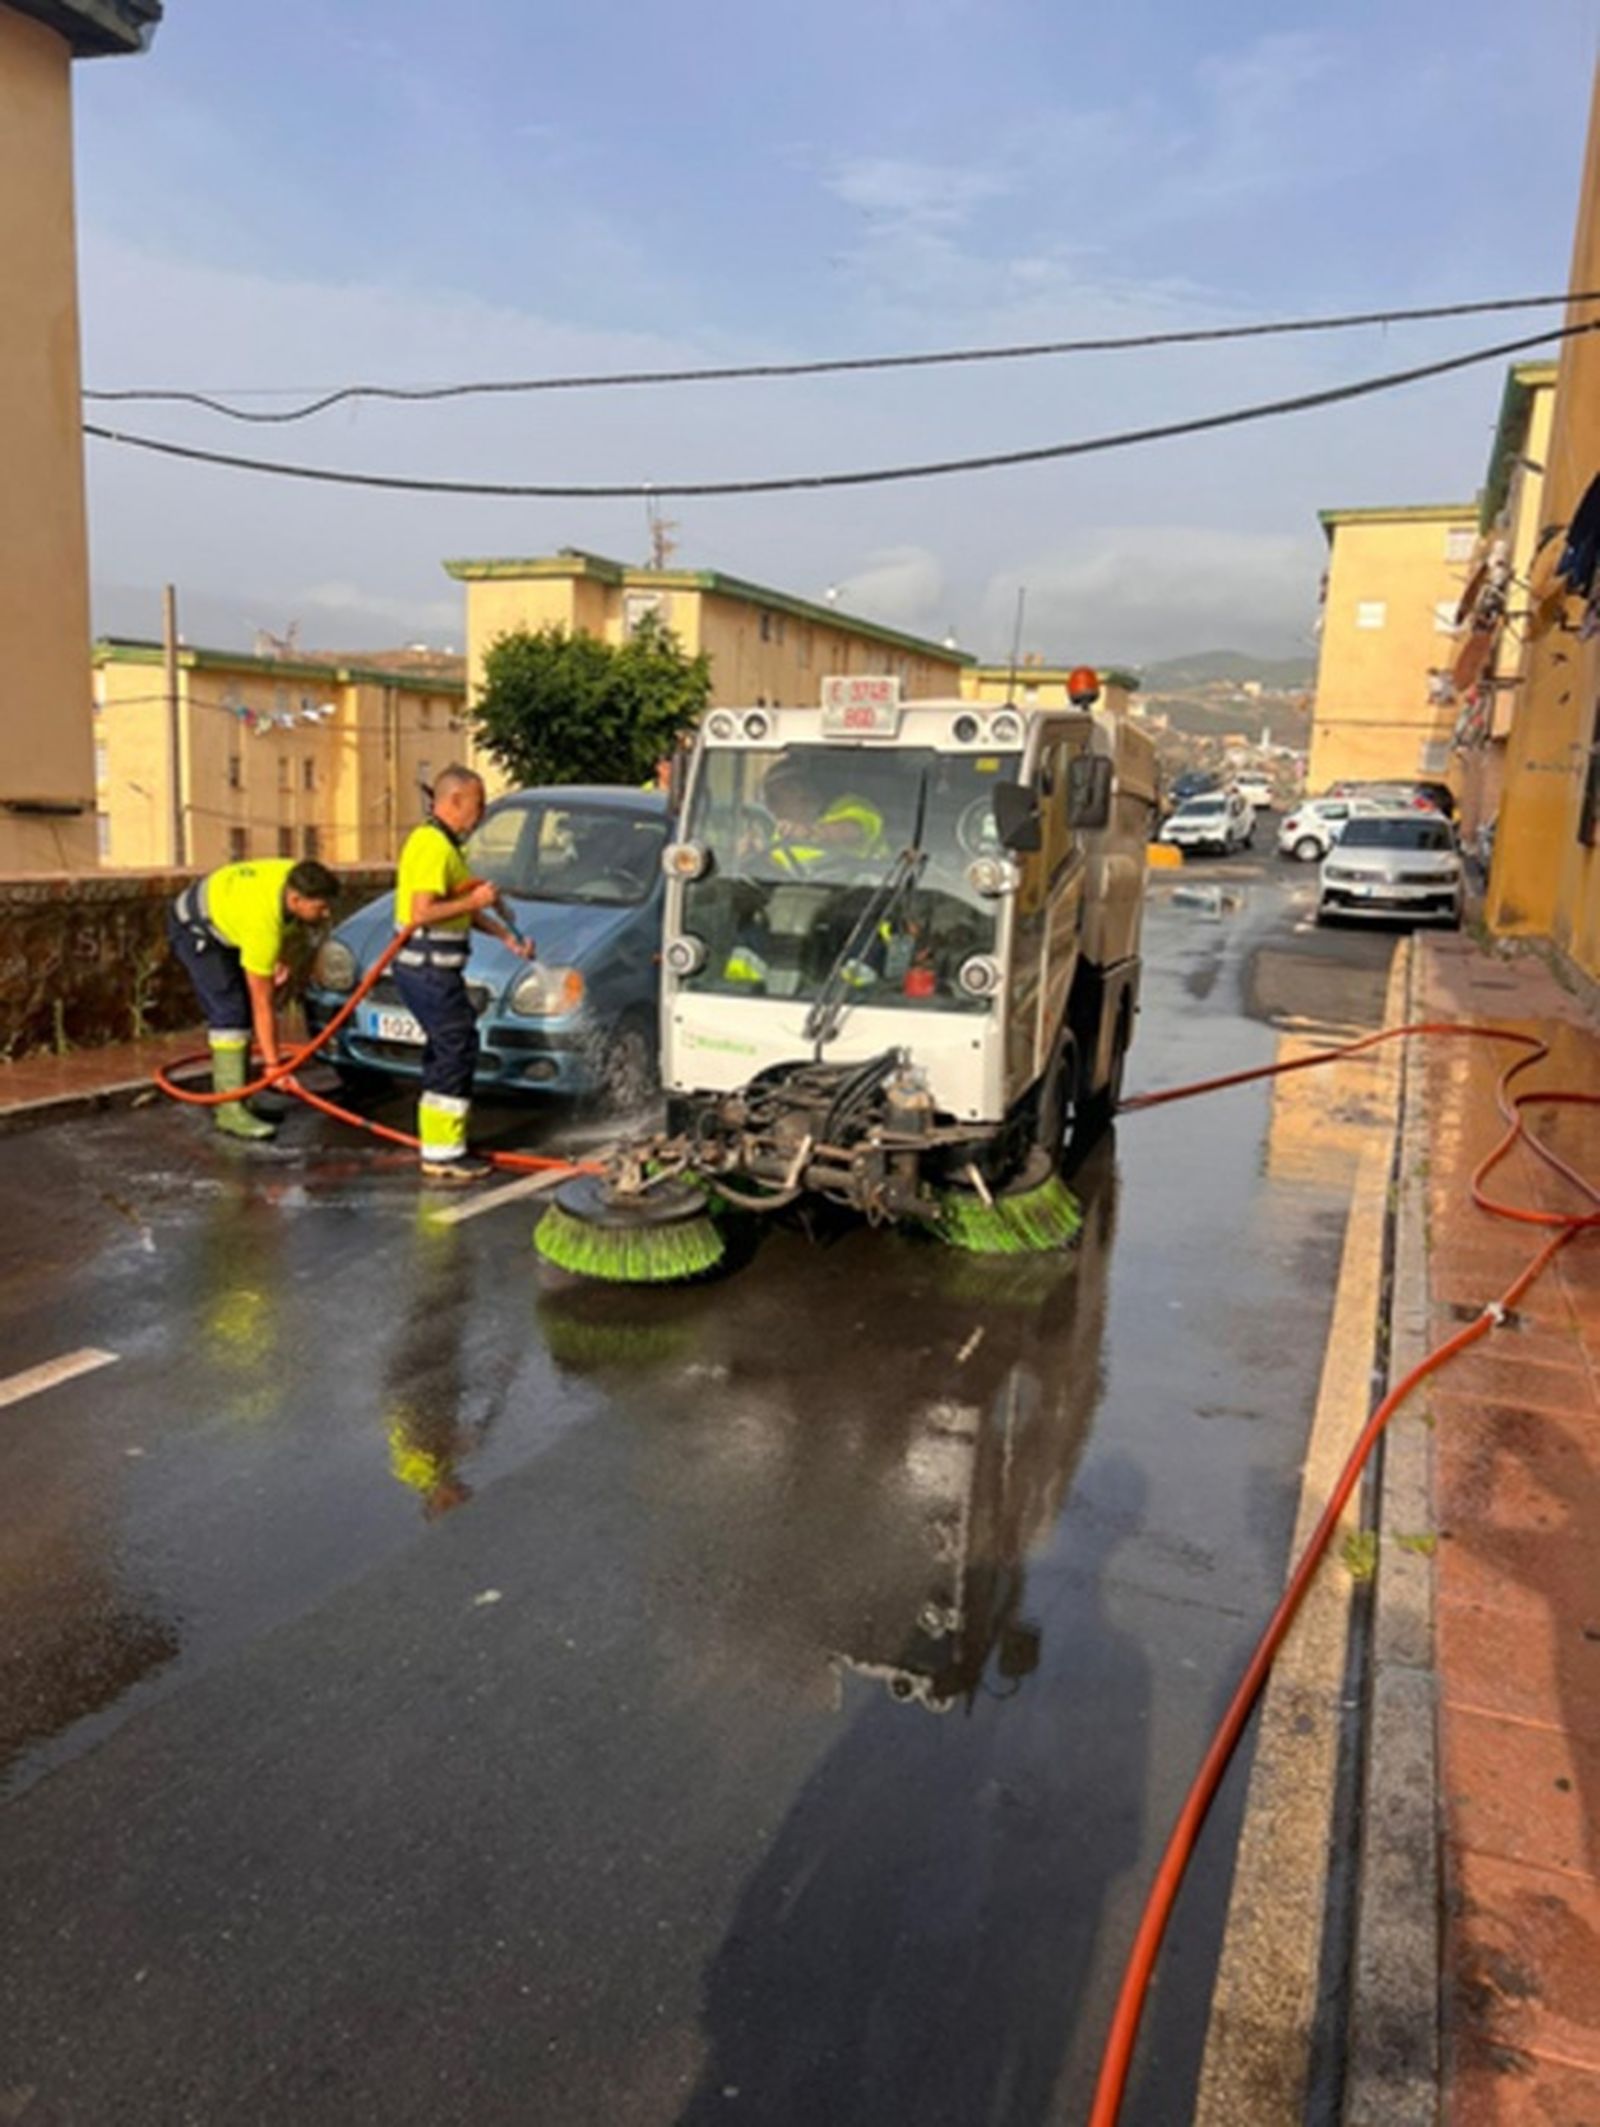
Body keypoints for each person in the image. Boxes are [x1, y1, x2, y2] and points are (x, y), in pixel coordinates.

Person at [394, 764, 534, 1185]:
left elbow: (459, 909)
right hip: (428, 972)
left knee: (450, 1047)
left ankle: (443, 1145)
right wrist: (476, 898)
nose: (483, 811)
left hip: (438, 971)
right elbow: (424, 912)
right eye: (479, 802)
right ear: (454, 801)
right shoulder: (433, 847)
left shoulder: (447, 846)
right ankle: (442, 1153)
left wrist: (502, 933)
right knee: (455, 1048)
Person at [167, 856, 339, 1140]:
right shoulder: (263, 924)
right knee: (231, 1012)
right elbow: (264, 1004)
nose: (326, 914)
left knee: (242, 1007)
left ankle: (243, 1096)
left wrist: (277, 958)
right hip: (195, 928)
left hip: (231, 914)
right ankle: (230, 1108)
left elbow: (283, 928)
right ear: (295, 899)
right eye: (320, 907)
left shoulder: (295, 876)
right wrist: (274, 1066)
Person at [762, 761, 885, 872]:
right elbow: (773, 874)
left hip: (869, 890)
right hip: (799, 893)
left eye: (773, 798)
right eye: (769, 799)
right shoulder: (778, 837)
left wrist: (809, 833)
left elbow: (852, 831)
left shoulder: (851, 806)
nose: (769, 806)